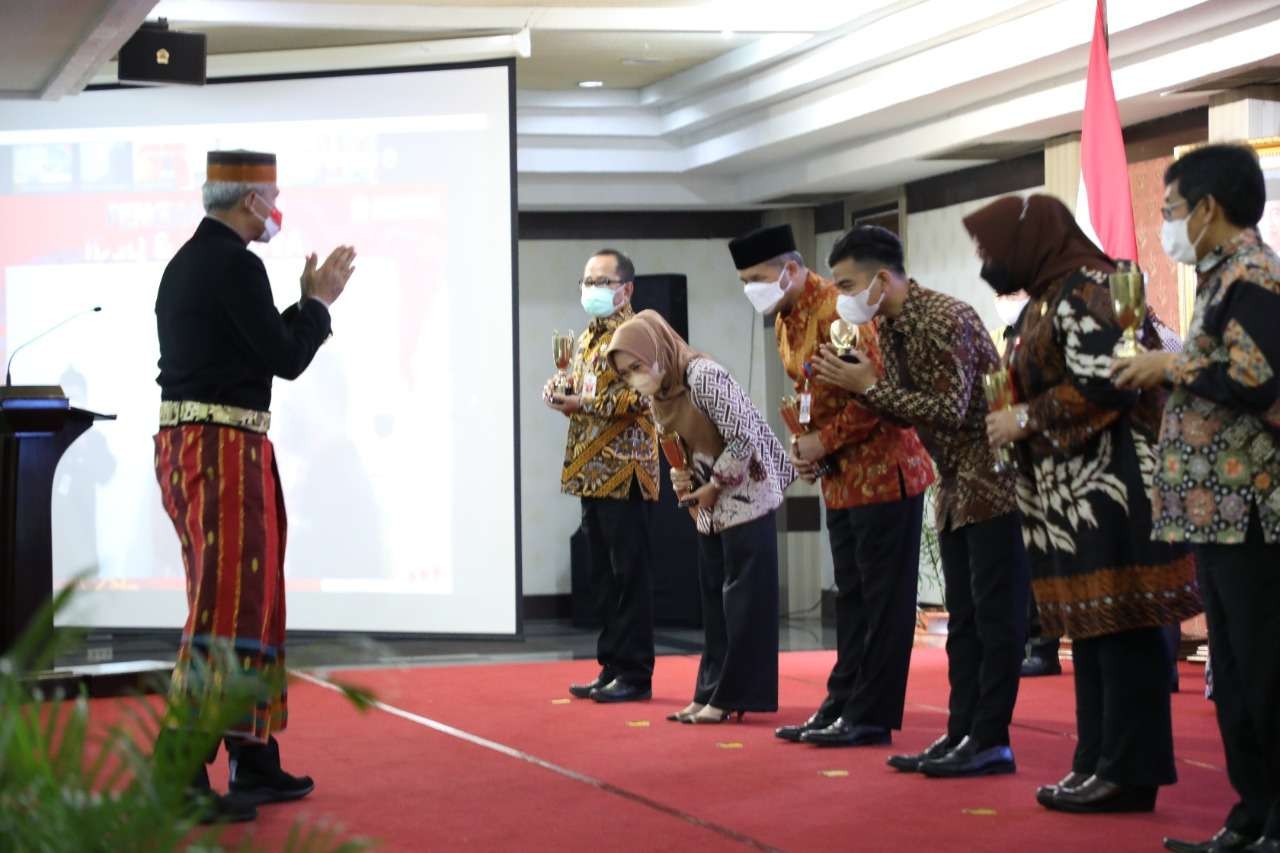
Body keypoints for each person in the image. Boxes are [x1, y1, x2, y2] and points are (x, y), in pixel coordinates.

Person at [967, 194, 1202, 814]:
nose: (987, 262)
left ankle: (1129, 770)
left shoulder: (1093, 287)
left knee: (1122, 625)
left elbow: (1111, 380)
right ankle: (1096, 760)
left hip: (1115, 486)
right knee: (1092, 630)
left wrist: (1027, 417)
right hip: (1072, 496)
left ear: (1032, 239)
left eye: (991, 249)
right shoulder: (1049, 294)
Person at [153, 149, 355, 822]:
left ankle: (251, 755)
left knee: (254, 600)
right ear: (250, 201)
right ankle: (177, 772)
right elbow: (287, 358)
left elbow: (262, 348)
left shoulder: (192, 261)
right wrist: (319, 303)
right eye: (272, 197)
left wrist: (301, 304)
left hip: (213, 443)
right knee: (230, 605)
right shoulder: (233, 265)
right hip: (219, 449)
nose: (277, 210)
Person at [810, 224, 1030, 778]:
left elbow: (951, 409)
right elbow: (913, 410)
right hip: (955, 483)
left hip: (994, 481)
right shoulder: (890, 324)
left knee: (993, 618)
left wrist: (868, 389)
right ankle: (960, 732)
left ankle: (990, 739)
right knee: (964, 619)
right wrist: (861, 386)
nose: (843, 297)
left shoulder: (942, 319)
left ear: (882, 279)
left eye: (848, 283)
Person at [1112, 143, 1280, 853]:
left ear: (1208, 209)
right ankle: (1250, 815)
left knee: (1267, 673)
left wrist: (1167, 362)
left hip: (1251, 513)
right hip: (1215, 514)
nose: (1167, 224)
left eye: (1172, 210)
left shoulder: (1254, 274)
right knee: (1235, 675)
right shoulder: (1217, 278)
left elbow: (1257, 377)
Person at [728, 225, 936, 748]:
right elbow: (809, 395)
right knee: (853, 597)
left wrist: (825, 440)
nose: (752, 288)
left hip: (885, 471)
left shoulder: (841, 309)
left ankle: (871, 713)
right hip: (840, 477)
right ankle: (843, 700)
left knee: (883, 602)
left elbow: (874, 391)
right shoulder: (785, 321)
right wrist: (804, 444)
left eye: (759, 277)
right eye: (745, 281)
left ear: (792, 269)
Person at [606, 310, 795, 723]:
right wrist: (684, 481)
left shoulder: (704, 376)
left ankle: (734, 697)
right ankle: (709, 692)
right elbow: (676, 446)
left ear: (657, 349)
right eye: (625, 373)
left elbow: (744, 436)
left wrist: (714, 485)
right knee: (714, 602)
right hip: (707, 503)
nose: (634, 377)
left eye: (637, 366)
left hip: (747, 492)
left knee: (744, 604)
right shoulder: (659, 393)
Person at [545, 249, 659, 704]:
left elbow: (647, 398)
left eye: (601, 282)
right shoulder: (588, 336)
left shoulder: (638, 333)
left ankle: (635, 673)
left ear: (626, 289)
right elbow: (585, 392)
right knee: (605, 578)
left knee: (630, 575)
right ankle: (611, 666)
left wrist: (584, 405)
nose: (591, 290)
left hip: (625, 470)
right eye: (587, 281)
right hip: (590, 472)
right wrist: (562, 392)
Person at [995, 290, 1064, 679]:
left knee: (1046, 559)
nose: (1002, 298)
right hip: (1025, 457)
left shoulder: (1045, 316)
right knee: (1029, 561)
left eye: (1008, 291)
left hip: (1052, 453)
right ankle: (1035, 642)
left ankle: (1045, 645)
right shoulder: (1015, 328)